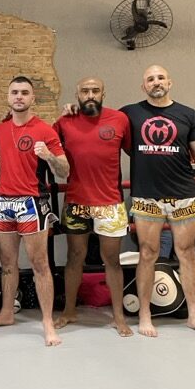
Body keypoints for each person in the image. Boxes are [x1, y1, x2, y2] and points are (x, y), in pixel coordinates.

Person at [120, 65, 195, 339]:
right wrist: (72, 110)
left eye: (161, 77)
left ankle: (194, 316)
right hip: (147, 194)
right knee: (148, 253)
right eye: (150, 79)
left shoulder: (188, 114)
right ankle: (145, 314)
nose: (156, 82)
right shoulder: (129, 113)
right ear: (143, 86)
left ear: (170, 82)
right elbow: (101, 123)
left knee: (187, 253)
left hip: (183, 193)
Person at [0, 76, 69, 346]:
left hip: (32, 202)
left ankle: (47, 322)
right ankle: (6, 312)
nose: (19, 97)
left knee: (40, 264)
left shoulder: (45, 130)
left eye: (24, 93)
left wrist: (49, 156)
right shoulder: (0, 130)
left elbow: (65, 170)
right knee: (8, 264)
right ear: (8, 97)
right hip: (4, 203)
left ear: (32, 98)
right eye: (15, 92)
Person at [52, 77, 133, 335]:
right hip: (76, 201)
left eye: (95, 90)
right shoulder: (64, 122)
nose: (90, 95)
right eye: (85, 91)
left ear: (103, 93)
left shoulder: (119, 119)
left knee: (112, 260)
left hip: (110, 202)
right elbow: (45, 144)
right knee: (74, 257)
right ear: (77, 94)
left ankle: (118, 316)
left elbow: (137, 152)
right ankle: (69, 311)